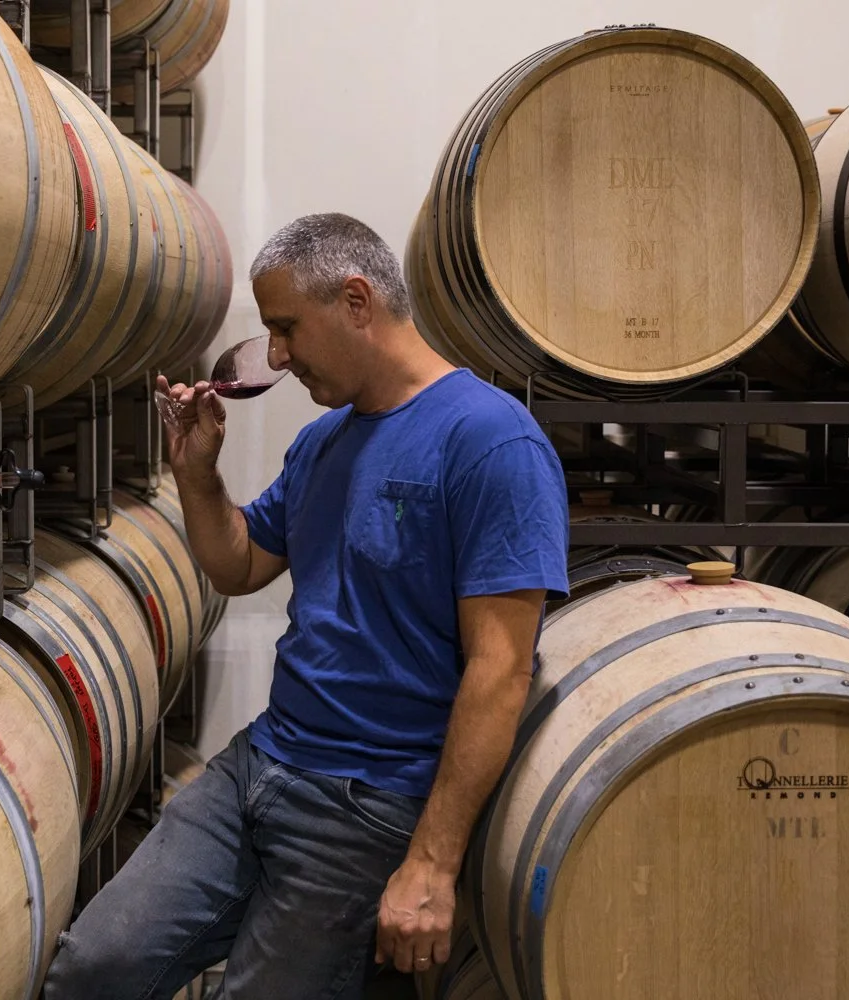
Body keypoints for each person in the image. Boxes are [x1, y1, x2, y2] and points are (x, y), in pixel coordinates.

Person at [41, 213, 569, 1000]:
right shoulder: (325, 442)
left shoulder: (491, 443)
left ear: (356, 300)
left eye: (286, 328)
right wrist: (196, 474)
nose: (277, 357)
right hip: (263, 764)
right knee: (96, 969)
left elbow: (500, 669)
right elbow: (238, 564)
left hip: (371, 802)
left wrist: (431, 862)